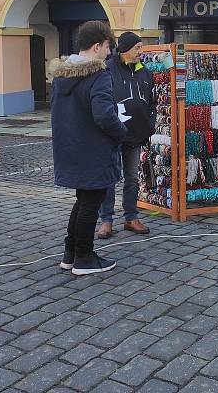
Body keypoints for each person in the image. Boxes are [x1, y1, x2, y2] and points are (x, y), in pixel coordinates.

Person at [52, 21, 127, 275]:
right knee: (90, 204)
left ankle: (70, 253)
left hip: (71, 148)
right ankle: (84, 257)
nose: (110, 52)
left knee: (83, 201)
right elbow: (104, 115)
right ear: (97, 46)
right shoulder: (98, 74)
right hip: (93, 150)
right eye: (108, 46)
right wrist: (121, 132)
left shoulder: (62, 75)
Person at [97, 31, 156, 239]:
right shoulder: (107, 70)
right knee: (110, 178)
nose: (141, 51)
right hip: (112, 135)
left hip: (136, 134)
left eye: (141, 47)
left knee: (131, 177)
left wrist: (150, 123)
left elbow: (152, 102)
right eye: (137, 48)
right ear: (124, 49)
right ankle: (106, 220)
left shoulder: (145, 72)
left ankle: (131, 217)